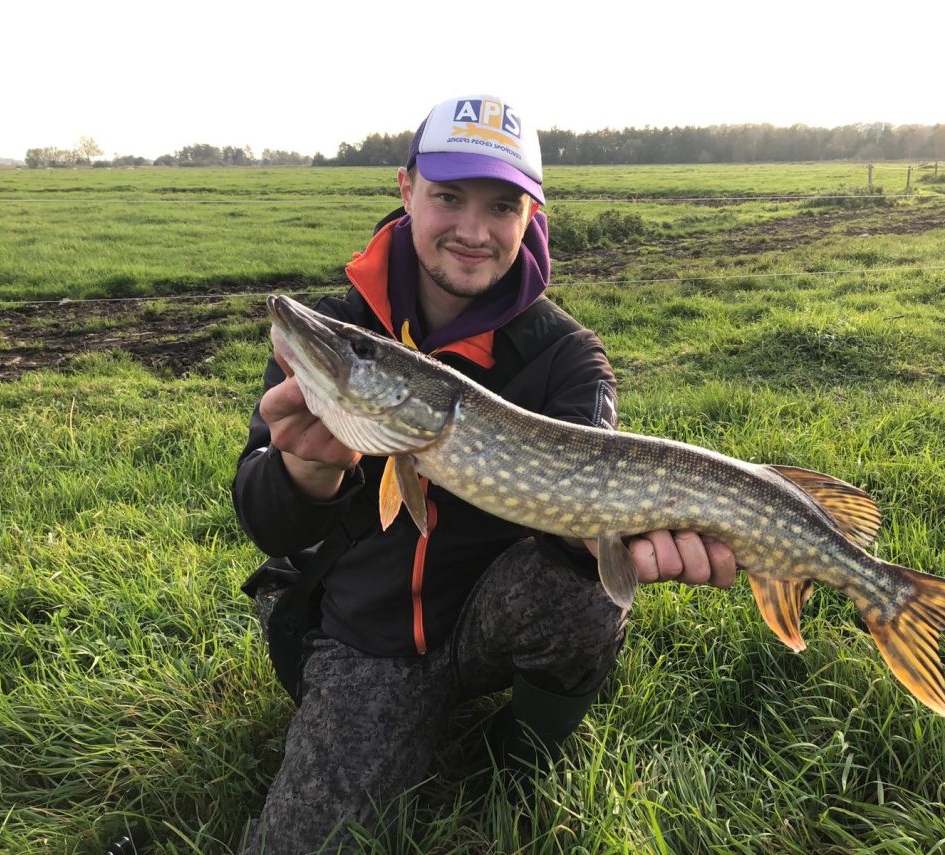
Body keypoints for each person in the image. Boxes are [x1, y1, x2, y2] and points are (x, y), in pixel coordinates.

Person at [232, 94, 737, 853]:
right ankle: (374, 706)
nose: (473, 231)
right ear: (407, 190)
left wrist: (618, 537)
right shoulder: (340, 337)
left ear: (530, 215)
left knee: (585, 596)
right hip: (362, 636)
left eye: (501, 206)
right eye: (448, 198)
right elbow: (264, 518)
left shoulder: (566, 357)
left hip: (483, 619)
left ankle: (519, 757)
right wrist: (305, 474)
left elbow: (585, 522)